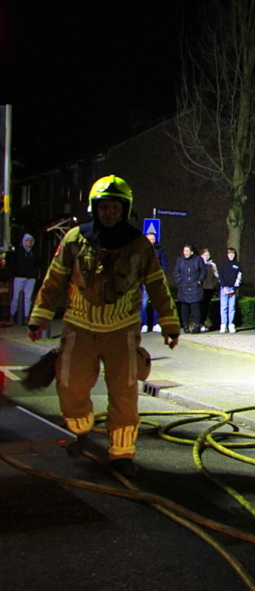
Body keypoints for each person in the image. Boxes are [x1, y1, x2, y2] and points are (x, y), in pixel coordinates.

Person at [27, 176, 180, 477]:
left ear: (124, 209)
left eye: (115, 207)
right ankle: (79, 428)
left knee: (124, 394)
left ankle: (122, 453)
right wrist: (38, 319)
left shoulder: (138, 244)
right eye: (104, 206)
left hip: (122, 330)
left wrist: (169, 323)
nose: (109, 212)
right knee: (70, 386)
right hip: (79, 327)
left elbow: (158, 285)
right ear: (95, 208)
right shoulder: (74, 239)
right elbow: (54, 281)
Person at [8, 233, 39, 325]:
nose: (29, 242)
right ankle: (12, 315)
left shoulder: (34, 252)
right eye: (28, 241)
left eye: (31, 241)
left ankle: (26, 317)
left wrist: (34, 272)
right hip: (19, 277)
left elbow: (37, 263)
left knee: (28, 298)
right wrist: (17, 272)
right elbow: (13, 262)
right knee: (16, 297)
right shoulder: (19, 252)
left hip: (31, 278)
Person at [141, 232, 168, 333]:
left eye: (153, 239)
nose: (152, 241)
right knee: (144, 303)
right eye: (150, 239)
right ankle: (144, 324)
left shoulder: (159, 251)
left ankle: (156, 324)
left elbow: (165, 263)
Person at [174, 244, 204, 333]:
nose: (185, 253)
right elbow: (176, 272)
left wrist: (199, 280)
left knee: (195, 307)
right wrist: (180, 281)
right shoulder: (180, 260)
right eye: (184, 251)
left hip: (195, 287)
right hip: (184, 287)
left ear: (192, 252)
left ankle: (197, 326)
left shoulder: (198, 260)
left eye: (187, 251)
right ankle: (185, 326)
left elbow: (203, 270)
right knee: (184, 307)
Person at [218, 247, 242, 333]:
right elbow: (221, 277)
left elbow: (239, 278)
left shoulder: (238, 265)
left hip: (232, 289)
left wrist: (234, 289)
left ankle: (231, 324)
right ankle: (223, 325)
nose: (231, 256)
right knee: (223, 307)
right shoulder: (223, 265)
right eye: (229, 254)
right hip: (224, 288)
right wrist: (224, 287)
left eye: (233, 254)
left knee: (231, 308)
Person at [199, 248, 219, 331]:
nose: (206, 257)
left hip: (209, 289)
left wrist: (213, 285)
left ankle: (202, 323)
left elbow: (216, 276)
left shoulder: (212, 265)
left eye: (208, 255)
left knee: (206, 307)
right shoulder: (198, 264)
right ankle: (198, 323)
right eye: (205, 255)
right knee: (199, 306)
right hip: (200, 289)